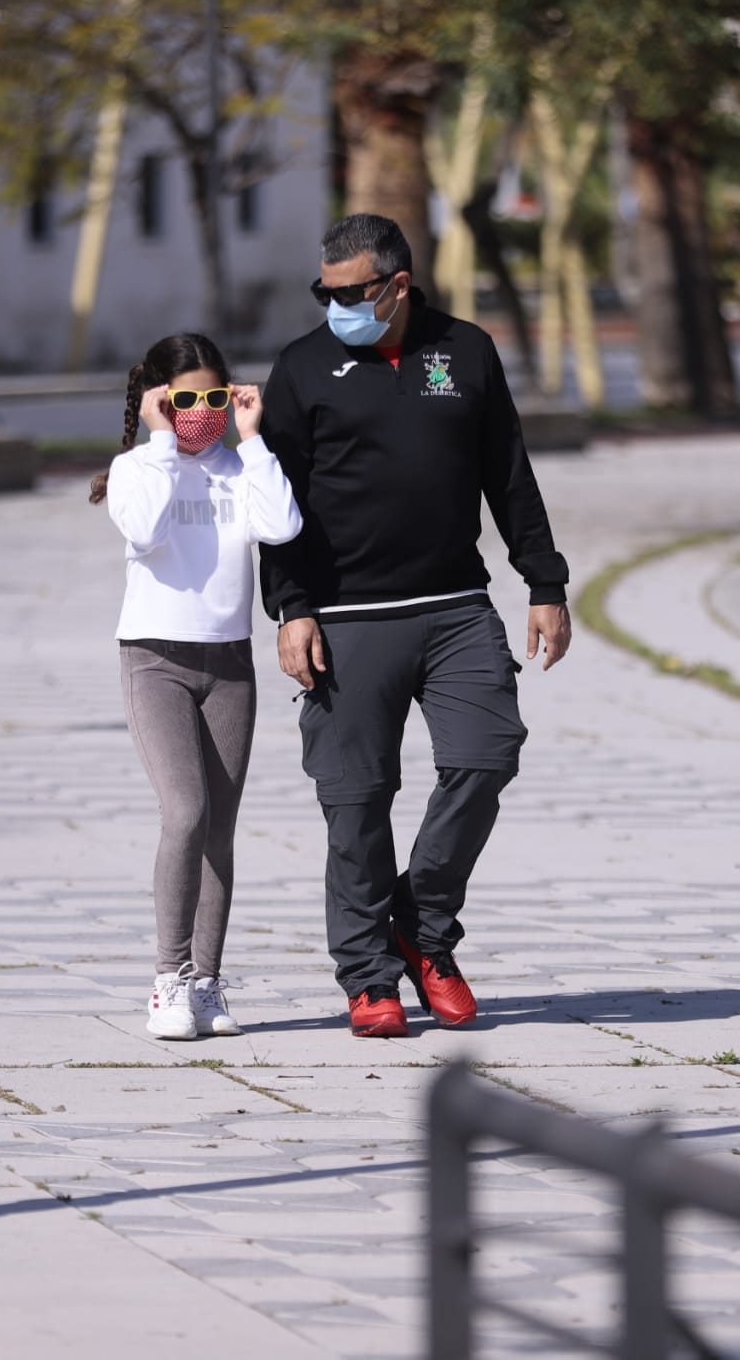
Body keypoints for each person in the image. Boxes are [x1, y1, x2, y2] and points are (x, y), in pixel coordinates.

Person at [257, 214, 572, 1038]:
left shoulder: (465, 351)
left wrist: (545, 580)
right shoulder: (300, 367)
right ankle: (368, 975)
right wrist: (291, 609)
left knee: (486, 757)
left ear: (397, 285)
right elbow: (273, 503)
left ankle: (423, 928)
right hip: (345, 616)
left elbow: (508, 469)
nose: (335, 306)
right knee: (356, 799)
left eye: (351, 292)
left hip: (455, 605)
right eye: (323, 292)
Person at [90, 334, 302, 1040]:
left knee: (219, 825)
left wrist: (252, 437)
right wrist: (158, 442)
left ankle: (207, 983)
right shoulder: (135, 470)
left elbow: (284, 523)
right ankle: (167, 980)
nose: (202, 412)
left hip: (229, 664)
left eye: (216, 397)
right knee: (184, 810)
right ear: (158, 398)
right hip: (155, 659)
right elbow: (145, 529)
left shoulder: (238, 467)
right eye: (187, 399)